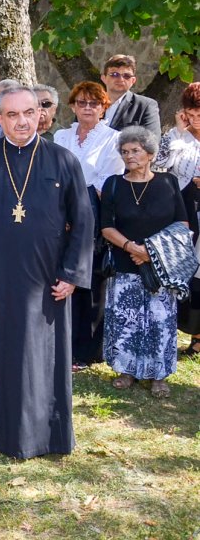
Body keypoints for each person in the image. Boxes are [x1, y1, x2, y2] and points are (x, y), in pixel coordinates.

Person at [0, 86, 93, 459]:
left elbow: (84, 221)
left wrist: (72, 272)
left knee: (36, 354)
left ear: (41, 114)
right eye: (12, 115)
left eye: (29, 112)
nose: (22, 121)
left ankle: (40, 431)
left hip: (43, 279)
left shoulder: (63, 160)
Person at [100, 126, 188, 398]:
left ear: (149, 154)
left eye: (135, 151)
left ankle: (158, 376)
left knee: (159, 322)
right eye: (125, 152)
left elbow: (182, 224)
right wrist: (131, 247)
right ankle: (127, 371)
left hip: (160, 267)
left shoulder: (168, 183)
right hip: (125, 266)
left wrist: (150, 252)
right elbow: (105, 227)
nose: (129, 156)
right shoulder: (114, 184)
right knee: (127, 321)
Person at [55, 80, 122, 369]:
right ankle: (62, 344)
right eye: (81, 102)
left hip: (94, 212)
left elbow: (107, 180)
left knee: (91, 279)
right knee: (62, 274)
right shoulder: (61, 136)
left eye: (94, 103)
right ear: (72, 106)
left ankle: (87, 350)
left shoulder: (113, 138)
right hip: (58, 211)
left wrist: (76, 193)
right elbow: (52, 172)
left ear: (103, 107)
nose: (87, 108)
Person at [155, 82, 200, 356]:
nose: (195, 118)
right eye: (191, 112)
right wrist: (177, 132)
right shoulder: (177, 137)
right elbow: (158, 167)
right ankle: (171, 329)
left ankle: (198, 336)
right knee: (179, 271)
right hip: (181, 209)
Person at [103, 54, 161, 135]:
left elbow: (152, 142)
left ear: (133, 81)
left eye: (126, 76)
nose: (121, 79)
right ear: (104, 78)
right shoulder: (88, 104)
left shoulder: (146, 106)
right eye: (115, 74)